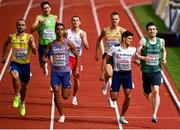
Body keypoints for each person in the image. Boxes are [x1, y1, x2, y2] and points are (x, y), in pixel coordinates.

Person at [42, 23, 79, 123]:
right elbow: (44, 55)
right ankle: (62, 114)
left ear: (63, 31)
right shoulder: (51, 44)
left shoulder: (68, 43)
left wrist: (76, 68)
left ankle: (66, 87)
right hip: (55, 73)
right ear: (55, 31)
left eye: (62, 29)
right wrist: (44, 61)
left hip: (66, 72)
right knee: (56, 92)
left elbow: (76, 54)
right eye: (58, 29)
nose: (60, 31)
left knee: (65, 96)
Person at [1, 18, 37, 116]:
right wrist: (4, 56)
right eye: (19, 25)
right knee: (15, 76)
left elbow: (34, 52)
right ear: (16, 26)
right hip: (15, 63)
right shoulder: (11, 36)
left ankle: (23, 103)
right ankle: (17, 95)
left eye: (22, 25)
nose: (20, 26)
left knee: (24, 88)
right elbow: (5, 45)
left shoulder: (29, 37)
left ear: (25, 27)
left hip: (25, 65)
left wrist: (31, 45)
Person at [102, 31, 136, 124]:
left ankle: (122, 116)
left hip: (127, 75)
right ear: (124, 39)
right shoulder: (114, 48)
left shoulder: (133, 49)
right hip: (117, 74)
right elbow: (106, 58)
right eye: (129, 38)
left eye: (132, 39)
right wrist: (103, 71)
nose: (131, 40)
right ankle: (110, 96)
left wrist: (140, 60)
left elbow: (137, 57)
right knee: (114, 98)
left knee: (128, 96)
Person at [135, 22, 167, 123]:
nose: (152, 31)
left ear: (156, 31)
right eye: (150, 29)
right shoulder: (143, 41)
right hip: (146, 72)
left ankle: (154, 114)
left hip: (157, 71)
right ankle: (145, 89)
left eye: (153, 29)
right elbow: (136, 54)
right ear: (147, 31)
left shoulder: (161, 41)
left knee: (156, 91)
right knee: (148, 95)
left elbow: (164, 50)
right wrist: (143, 58)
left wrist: (164, 59)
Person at [94, 12, 126, 107]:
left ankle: (111, 97)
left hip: (119, 56)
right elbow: (98, 40)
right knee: (109, 73)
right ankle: (106, 83)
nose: (114, 21)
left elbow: (127, 42)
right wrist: (96, 53)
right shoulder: (105, 30)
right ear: (110, 19)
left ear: (119, 20)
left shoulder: (122, 31)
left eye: (116, 19)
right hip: (108, 55)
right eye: (113, 19)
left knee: (118, 78)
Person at [31, 1, 58, 76]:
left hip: (52, 44)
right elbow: (32, 30)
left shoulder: (54, 17)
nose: (46, 9)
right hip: (42, 44)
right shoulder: (39, 18)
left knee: (53, 64)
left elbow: (58, 27)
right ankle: (44, 66)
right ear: (42, 10)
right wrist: (39, 24)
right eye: (44, 8)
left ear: (50, 8)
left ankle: (53, 83)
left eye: (47, 8)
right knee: (41, 64)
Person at [66, 16, 89, 105]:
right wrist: (67, 48)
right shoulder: (67, 32)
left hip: (77, 58)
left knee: (77, 82)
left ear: (80, 22)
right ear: (71, 22)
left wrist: (83, 39)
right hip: (68, 57)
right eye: (73, 20)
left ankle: (74, 96)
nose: (75, 22)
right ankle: (66, 81)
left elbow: (87, 47)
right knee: (68, 72)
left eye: (77, 20)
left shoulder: (83, 33)